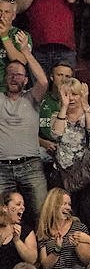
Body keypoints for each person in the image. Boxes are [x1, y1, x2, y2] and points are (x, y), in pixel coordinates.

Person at [0, 33, 49, 227]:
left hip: (31, 166)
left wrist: (26, 52)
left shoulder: (32, 97)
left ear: (26, 80)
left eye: (18, 74)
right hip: (2, 167)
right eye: (10, 74)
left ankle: (44, 255)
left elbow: (44, 81)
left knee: (42, 215)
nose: (14, 77)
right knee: (2, 219)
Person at [35, 188, 90, 269]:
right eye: (63, 204)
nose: (68, 207)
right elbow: (45, 266)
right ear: (52, 205)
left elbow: (87, 260)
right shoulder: (44, 231)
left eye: (69, 204)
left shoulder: (78, 227)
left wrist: (77, 246)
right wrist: (57, 249)